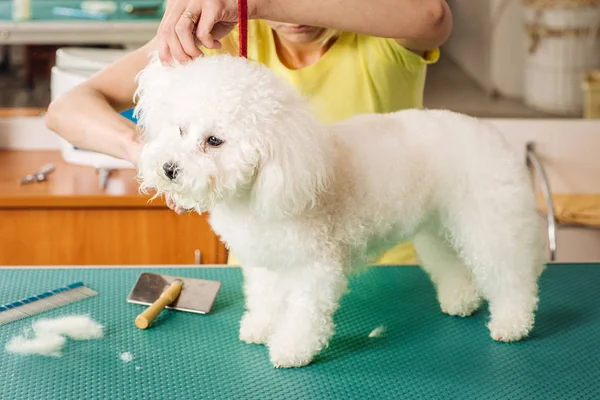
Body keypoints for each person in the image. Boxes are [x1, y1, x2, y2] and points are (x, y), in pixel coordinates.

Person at [45, 0, 452, 265]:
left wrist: (256, 4)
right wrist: (155, 156)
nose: (295, 18)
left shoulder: (383, 34)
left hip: (386, 264)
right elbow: (68, 109)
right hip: (265, 270)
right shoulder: (224, 39)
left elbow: (433, 16)